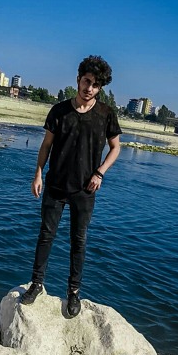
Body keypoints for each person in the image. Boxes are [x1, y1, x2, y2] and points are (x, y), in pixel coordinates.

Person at [21, 55, 122, 318]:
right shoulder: (59, 111)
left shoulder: (106, 114)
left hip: (85, 190)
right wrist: (38, 174)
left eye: (96, 85)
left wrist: (100, 172)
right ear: (78, 80)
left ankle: (73, 292)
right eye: (87, 81)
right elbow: (46, 145)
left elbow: (115, 147)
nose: (90, 88)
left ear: (100, 88)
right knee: (46, 235)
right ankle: (36, 284)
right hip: (55, 185)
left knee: (79, 241)